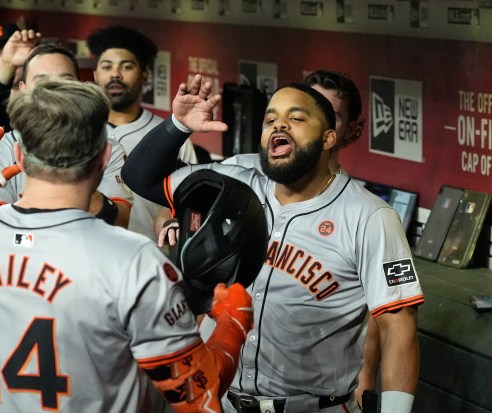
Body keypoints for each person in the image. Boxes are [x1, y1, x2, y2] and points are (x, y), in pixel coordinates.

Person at [0, 77, 253, 412]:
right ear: (105, 158)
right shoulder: (135, 260)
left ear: (19, 157)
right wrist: (231, 324)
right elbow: (195, 393)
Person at [122, 74, 424, 413]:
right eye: (271, 119)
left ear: (328, 138)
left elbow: (399, 330)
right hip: (221, 400)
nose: (280, 124)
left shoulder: (370, 217)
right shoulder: (235, 177)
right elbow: (139, 177)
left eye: (296, 118)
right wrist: (178, 125)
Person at [0, 43, 133, 228]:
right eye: (41, 80)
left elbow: (119, 221)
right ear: (23, 88)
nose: (53, 89)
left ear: (80, 86)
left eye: (64, 79)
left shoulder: (106, 146)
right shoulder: (5, 145)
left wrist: (73, 163)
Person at [87, 24, 197, 240]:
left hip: (148, 255)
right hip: (90, 251)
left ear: (145, 75)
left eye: (126, 67)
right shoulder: (79, 130)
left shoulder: (171, 135)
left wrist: (171, 216)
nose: (115, 75)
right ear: (95, 75)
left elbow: (190, 199)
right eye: (107, 67)